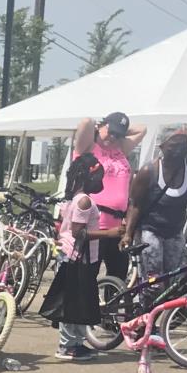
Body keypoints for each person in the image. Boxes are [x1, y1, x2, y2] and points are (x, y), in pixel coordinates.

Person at [122, 124, 187, 283]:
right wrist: (128, 234)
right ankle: (148, 306)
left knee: (177, 279)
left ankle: (170, 307)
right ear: (163, 146)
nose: (179, 148)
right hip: (150, 230)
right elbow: (135, 205)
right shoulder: (148, 171)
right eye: (175, 144)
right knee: (153, 281)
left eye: (184, 143)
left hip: (175, 231)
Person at [71, 112, 146, 281]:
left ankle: (109, 307)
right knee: (86, 279)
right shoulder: (88, 148)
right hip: (94, 226)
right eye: (110, 132)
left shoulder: (120, 148)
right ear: (101, 126)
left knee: (117, 279)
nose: (112, 137)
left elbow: (142, 129)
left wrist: (120, 130)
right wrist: (103, 126)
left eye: (118, 135)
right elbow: (86, 120)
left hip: (118, 227)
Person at [48, 152, 109, 362]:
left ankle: (75, 343)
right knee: (70, 302)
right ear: (88, 177)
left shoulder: (76, 198)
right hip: (76, 256)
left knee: (77, 300)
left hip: (76, 255)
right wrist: (110, 233)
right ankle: (67, 346)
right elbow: (78, 232)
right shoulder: (84, 201)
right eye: (100, 176)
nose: (101, 181)